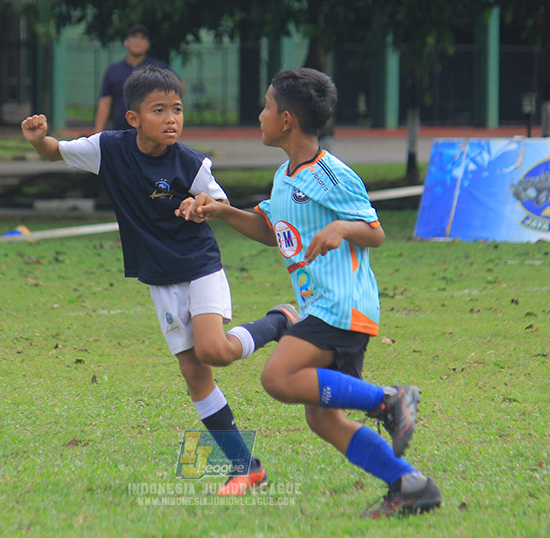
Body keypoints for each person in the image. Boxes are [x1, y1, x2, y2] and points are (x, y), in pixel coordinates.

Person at [22, 65, 297, 496]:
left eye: (178, 109)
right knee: (194, 372)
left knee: (213, 351)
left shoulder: (190, 162)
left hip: (199, 263)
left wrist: (200, 205)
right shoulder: (107, 149)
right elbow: (55, 151)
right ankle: (245, 467)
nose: (172, 119)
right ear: (133, 118)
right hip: (159, 276)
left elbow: (218, 201)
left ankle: (279, 321)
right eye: (159, 110)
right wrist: (39, 140)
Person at [178, 68, 442, 518]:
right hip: (322, 307)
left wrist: (341, 228)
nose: (260, 115)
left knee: (277, 378)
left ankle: (388, 399)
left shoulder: (330, 173)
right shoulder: (285, 175)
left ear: (286, 120)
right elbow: (271, 230)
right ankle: (410, 484)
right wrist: (221, 211)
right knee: (322, 417)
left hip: (341, 305)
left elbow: (374, 231)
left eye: (266, 107)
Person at [93, 24, 169, 133]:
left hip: (150, 133)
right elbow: (105, 102)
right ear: (127, 41)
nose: (138, 41)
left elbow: (178, 87)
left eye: (143, 38)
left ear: (148, 44)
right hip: (120, 133)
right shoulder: (114, 70)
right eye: (134, 37)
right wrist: (98, 132)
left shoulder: (158, 68)